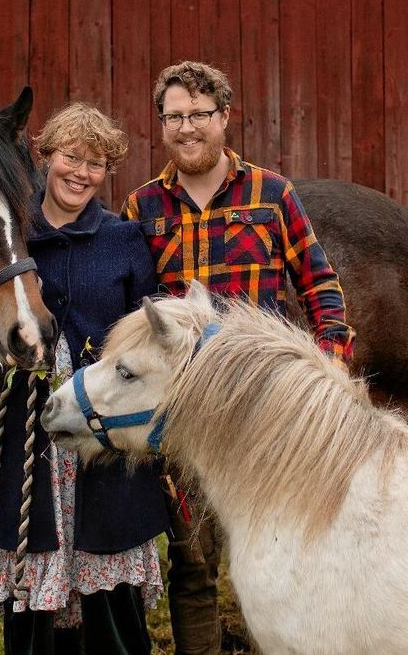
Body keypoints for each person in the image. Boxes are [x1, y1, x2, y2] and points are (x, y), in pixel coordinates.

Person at [121, 61, 356, 654]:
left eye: (199, 114)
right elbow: (126, 304)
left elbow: (320, 284)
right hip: (185, 412)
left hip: (262, 410)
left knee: (277, 549)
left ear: (225, 118)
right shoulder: (143, 208)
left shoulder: (272, 195)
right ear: (163, 126)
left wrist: (331, 361)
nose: (187, 127)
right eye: (175, 116)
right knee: (193, 561)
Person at [0, 102, 169, 654]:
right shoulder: (13, 233)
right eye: (71, 157)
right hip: (29, 421)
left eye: (97, 164)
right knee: (34, 563)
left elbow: (144, 332)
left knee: (108, 571)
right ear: (46, 157)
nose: (81, 173)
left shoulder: (123, 239)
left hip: (100, 418)